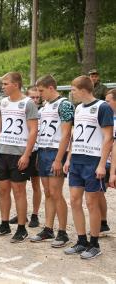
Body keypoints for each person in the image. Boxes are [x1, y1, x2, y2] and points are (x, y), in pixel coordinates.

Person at [63, 76, 113, 259]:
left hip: (93, 161)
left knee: (92, 203)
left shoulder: (103, 107)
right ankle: (81, 240)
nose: (72, 92)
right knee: (75, 201)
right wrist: (69, 158)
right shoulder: (78, 108)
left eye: (73, 89)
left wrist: (102, 164)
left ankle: (94, 244)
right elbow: (76, 135)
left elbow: (109, 137)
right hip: (77, 159)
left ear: (83, 90)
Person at [0, 72, 38, 243]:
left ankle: (22, 228)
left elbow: (33, 130)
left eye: (5, 83)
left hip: (19, 154)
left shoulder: (28, 103)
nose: (2, 86)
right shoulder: (2, 103)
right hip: (2, 152)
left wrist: (27, 154)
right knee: (3, 190)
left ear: (16, 84)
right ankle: (4, 224)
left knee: (19, 191)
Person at [29, 75, 73, 248]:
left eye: (41, 91)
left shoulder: (64, 105)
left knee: (56, 192)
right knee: (47, 192)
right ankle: (48, 228)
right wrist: (39, 154)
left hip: (56, 152)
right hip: (44, 150)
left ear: (51, 88)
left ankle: (63, 232)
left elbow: (66, 134)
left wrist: (58, 159)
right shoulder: (45, 106)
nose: (39, 95)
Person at [9, 86, 42, 227]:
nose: (35, 100)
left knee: (35, 184)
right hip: (21, 150)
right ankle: (21, 214)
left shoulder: (43, 111)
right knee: (17, 185)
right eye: (32, 97)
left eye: (37, 97)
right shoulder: (22, 108)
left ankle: (35, 214)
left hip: (36, 151)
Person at [102, 89, 116, 236]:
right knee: (99, 192)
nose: (105, 104)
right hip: (107, 162)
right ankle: (103, 223)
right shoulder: (107, 117)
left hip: (113, 163)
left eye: (108, 101)